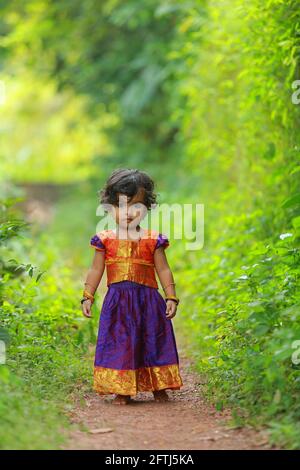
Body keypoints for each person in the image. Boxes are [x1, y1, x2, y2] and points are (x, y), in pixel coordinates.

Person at [81, 168, 183, 405]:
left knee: (153, 340)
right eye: (120, 205)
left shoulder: (153, 239)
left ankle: (159, 386)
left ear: (147, 207)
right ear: (109, 207)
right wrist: (88, 295)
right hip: (118, 303)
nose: (128, 213)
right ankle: (122, 390)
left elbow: (163, 269)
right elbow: (96, 270)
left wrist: (171, 296)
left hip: (149, 302)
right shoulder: (104, 240)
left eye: (136, 206)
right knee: (121, 343)